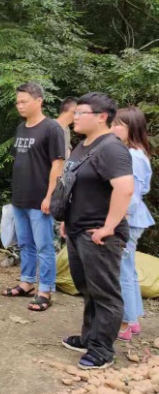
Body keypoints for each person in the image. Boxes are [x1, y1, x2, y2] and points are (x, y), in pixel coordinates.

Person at [61, 93, 134, 370]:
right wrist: (66, 219)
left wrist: (109, 227)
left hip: (99, 234)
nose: (75, 117)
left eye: (81, 113)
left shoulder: (112, 149)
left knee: (105, 293)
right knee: (88, 288)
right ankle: (89, 338)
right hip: (77, 229)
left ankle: (102, 349)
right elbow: (76, 186)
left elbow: (125, 189)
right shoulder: (83, 146)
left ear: (102, 117)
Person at [2, 82, 65, 311]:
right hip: (20, 197)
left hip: (40, 199)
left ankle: (45, 289)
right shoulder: (21, 128)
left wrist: (49, 196)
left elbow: (57, 165)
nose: (20, 106)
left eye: (24, 101)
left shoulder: (52, 128)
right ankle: (27, 282)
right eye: (17, 102)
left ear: (39, 101)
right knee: (25, 243)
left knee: (44, 246)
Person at [111, 107, 154, 341]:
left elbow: (132, 194)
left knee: (121, 272)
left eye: (118, 124)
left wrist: (118, 220)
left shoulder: (133, 157)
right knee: (128, 269)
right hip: (131, 218)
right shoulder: (134, 153)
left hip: (128, 219)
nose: (112, 128)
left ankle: (125, 323)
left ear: (132, 128)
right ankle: (133, 319)